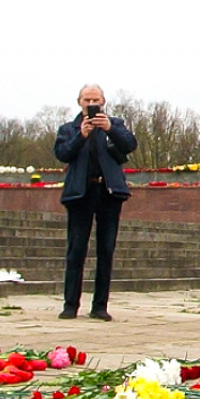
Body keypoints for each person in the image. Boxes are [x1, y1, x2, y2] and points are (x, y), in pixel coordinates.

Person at [54, 85, 138, 321]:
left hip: (109, 191)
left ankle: (100, 305)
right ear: (79, 102)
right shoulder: (68, 129)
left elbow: (130, 145)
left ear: (103, 102)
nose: (91, 103)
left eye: (95, 99)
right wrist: (81, 135)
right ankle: (70, 304)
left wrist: (109, 128)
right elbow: (62, 154)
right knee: (76, 250)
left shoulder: (115, 124)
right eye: (86, 99)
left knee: (106, 249)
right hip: (80, 192)